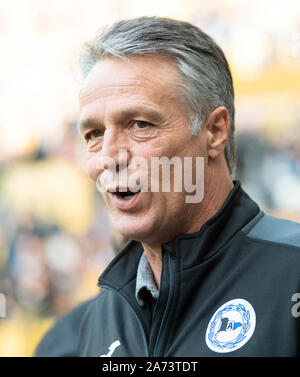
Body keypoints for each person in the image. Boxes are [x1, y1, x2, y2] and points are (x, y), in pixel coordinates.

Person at [76, 17, 300, 356]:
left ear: (214, 132)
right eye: (94, 134)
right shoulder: (101, 318)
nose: (108, 157)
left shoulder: (293, 275)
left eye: (139, 124)